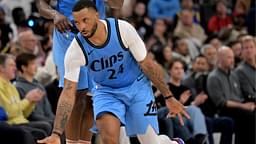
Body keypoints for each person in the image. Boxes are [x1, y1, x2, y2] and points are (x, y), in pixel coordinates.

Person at [38, 0, 189, 144]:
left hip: (136, 88)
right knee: (108, 138)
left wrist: (169, 97)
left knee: (150, 141)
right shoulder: (76, 49)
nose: (81, 27)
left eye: (85, 21)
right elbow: (68, 92)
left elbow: (147, 64)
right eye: (78, 23)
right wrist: (56, 133)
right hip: (106, 92)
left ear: (97, 15)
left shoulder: (122, 29)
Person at [36, 0, 123, 143]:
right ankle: (70, 141)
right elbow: (41, 4)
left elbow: (117, 5)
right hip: (67, 34)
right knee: (76, 92)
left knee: (91, 97)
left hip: (95, 36)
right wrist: (55, 14)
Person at [207, 46, 255, 144]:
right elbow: (221, 102)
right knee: (249, 117)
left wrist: (249, 104)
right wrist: (244, 106)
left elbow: (240, 96)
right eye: (229, 57)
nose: (232, 60)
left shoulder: (233, 75)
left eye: (232, 57)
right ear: (220, 58)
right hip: (224, 110)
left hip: (239, 107)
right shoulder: (213, 77)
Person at [0, 53, 52, 141]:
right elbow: (8, 113)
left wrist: (32, 101)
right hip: (11, 123)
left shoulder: (11, 86)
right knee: (43, 128)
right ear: (1, 68)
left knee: (46, 127)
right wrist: (27, 100)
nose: (15, 68)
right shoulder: (2, 86)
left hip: (22, 121)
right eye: (11, 65)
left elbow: (24, 114)